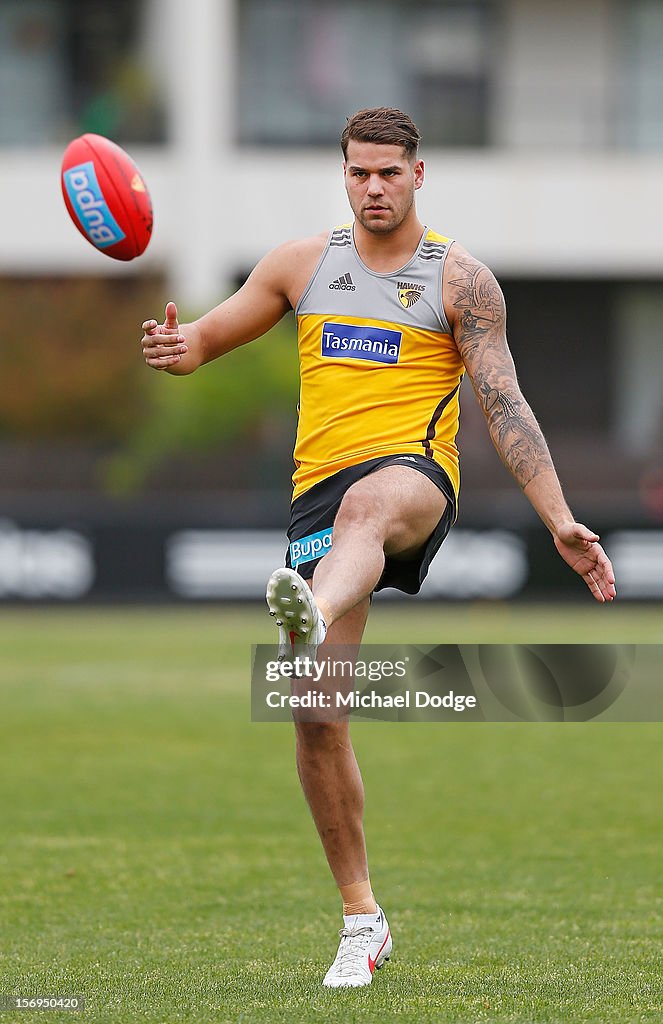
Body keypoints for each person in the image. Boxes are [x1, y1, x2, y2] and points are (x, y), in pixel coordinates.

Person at [141, 107, 616, 989]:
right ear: (344, 174)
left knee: (366, 508)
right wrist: (179, 346)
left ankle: (307, 612)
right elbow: (208, 336)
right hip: (314, 499)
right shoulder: (299, 264)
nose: (372, 188)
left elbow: (507, 406)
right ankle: (362, 918)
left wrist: (557, 518)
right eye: (358, 172)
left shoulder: (460, 281)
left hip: (411, 481)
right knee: (316, 719)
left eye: (388, 173)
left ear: (417, 175)